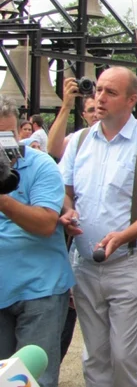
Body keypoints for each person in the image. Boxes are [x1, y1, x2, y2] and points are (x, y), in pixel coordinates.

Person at [59, 66, 137, 387]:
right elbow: (64, 192)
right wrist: (66, 212)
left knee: (124, 356)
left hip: (134, 266)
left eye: (111, 92)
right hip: (86, 266)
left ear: (132, 99)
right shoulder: (79, 141)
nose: (100, 98)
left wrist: (123, 236)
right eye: (98, 90)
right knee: (95, 355)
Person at [0, 95, 74, 387]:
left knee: (33, 381)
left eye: (6, 135)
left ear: (20, 131)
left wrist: (4, 200)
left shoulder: (42, 165)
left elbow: (45, 223)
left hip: (38, 291)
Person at [48, 77, 98, 160]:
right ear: (84, 115)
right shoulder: (79, 139)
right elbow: (53, 149)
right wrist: (66, 106)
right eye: (91, 110)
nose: (96, 114)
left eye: (99, 109)